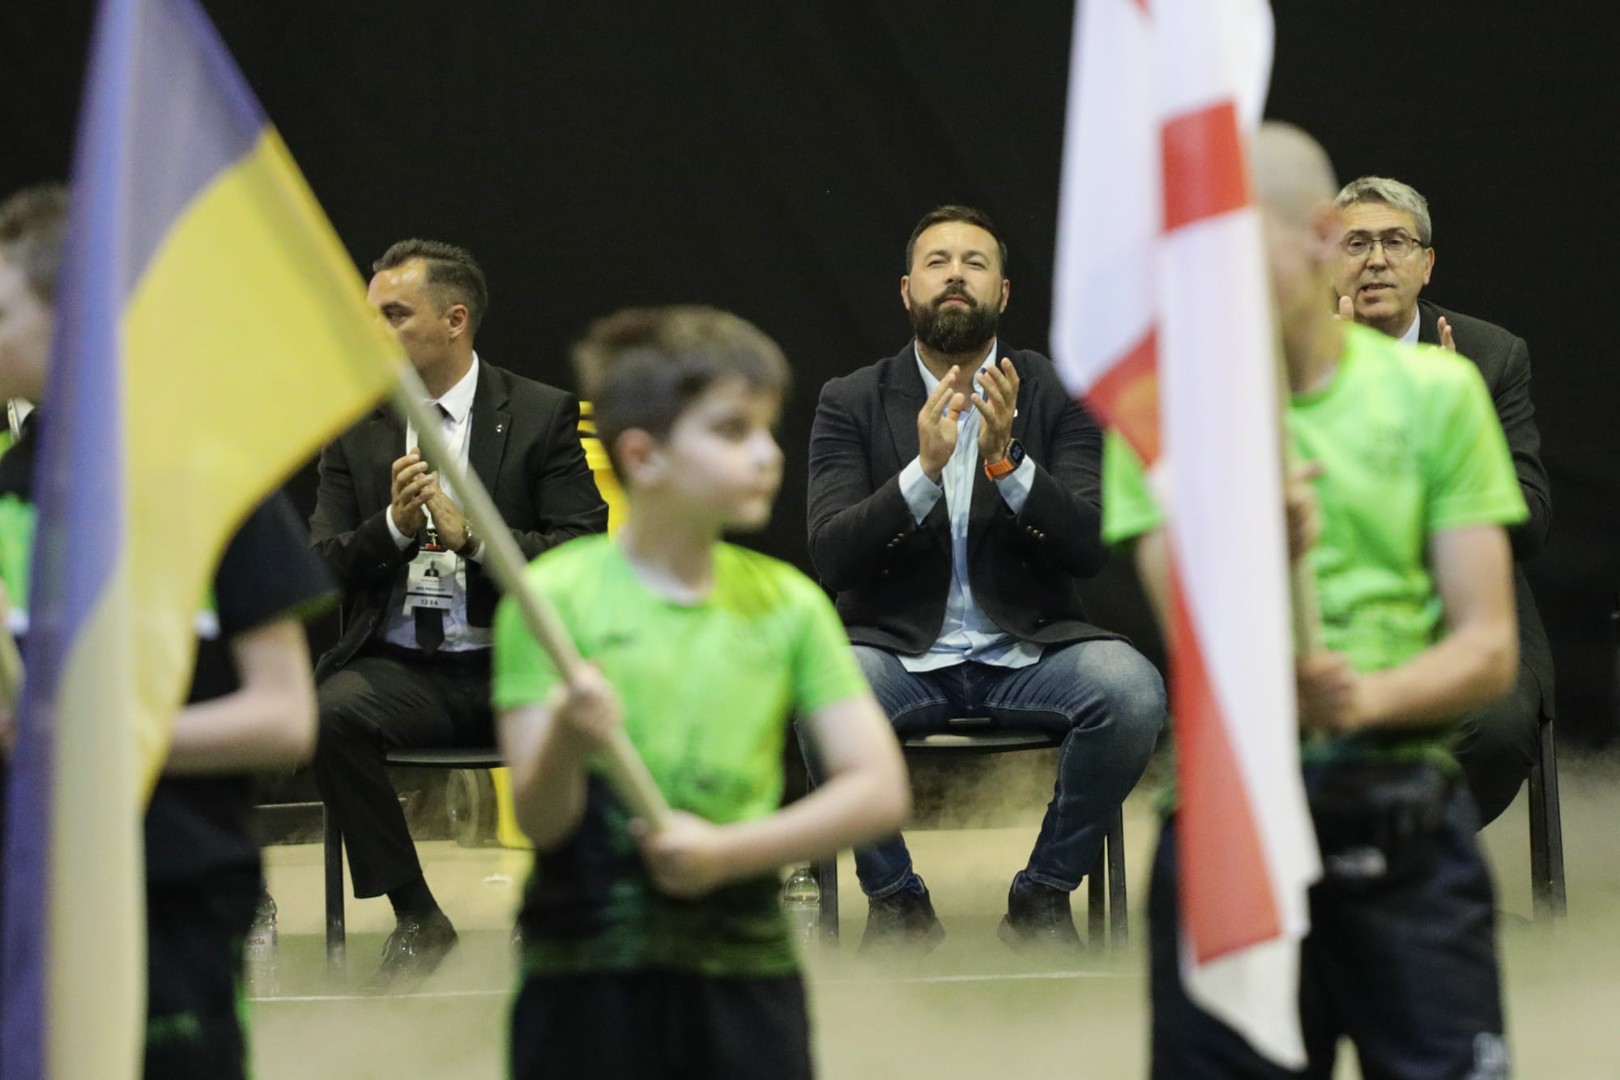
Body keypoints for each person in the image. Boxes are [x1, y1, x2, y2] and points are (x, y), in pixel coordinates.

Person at [1105, 125, 1519, 1077]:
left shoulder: (1437, 393)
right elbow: (1193, 639)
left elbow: (1489, 647)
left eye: (1232, 245)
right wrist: (1251, 551)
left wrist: (1363, 700)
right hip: (1230, 827)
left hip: (1402, 820)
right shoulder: (1160, 412)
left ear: (1320, 235)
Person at [493, 306, 909, 1080]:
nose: (767, 454)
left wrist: (727, 854)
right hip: (586, 981)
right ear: (643, 456)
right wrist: (567, 742)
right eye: (731, 430)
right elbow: (541, 820)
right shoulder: (551, 601)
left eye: (767, 429)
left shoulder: (789, 605)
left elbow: (879, 791)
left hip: (743, 974)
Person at [0, 183, 333, 1078]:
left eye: (0, 311)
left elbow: (283, 720)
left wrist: (92, 737)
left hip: (174, 889)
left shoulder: (211, 489)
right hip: (27, 890)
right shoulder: (6, 501)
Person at [805, 204, 1165, 951]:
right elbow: (833, 555)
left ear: (1003, 292)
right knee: (821, 692)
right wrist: (922, 472)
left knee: (1131, 691)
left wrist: (1008, 464)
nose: (956, 275)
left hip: (1029, 649)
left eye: (975, 263)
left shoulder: (1059, 393)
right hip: (896, 653)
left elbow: (1089, 546)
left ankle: (1043, 894)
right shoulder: (852, 399)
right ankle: (896, 902)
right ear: (907, 290)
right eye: (937, 262)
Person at [307, 238, 608, 990]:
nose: (374, 332)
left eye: (394, 315)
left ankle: (572, 909)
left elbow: (582, 557)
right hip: (405, 672)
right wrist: (394, 528)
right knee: (328, 714)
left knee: (608, 703)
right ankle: (418, 916)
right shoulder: (357, 423)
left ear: (455, 320)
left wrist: (474, 538)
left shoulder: (537, 414)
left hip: (518, 668)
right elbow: (319, 568)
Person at [1332, 174, 1553, 826]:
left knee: (1495, 727)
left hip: (1466, 615)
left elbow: (1531, 524)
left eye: (1395, 242)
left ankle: (1395, 863)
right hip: (1333, 615)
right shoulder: (1288, 360)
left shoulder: (1487, 357)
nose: (1376, 260)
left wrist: (1454, 442)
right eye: (1356, 244)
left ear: (1425, 264)